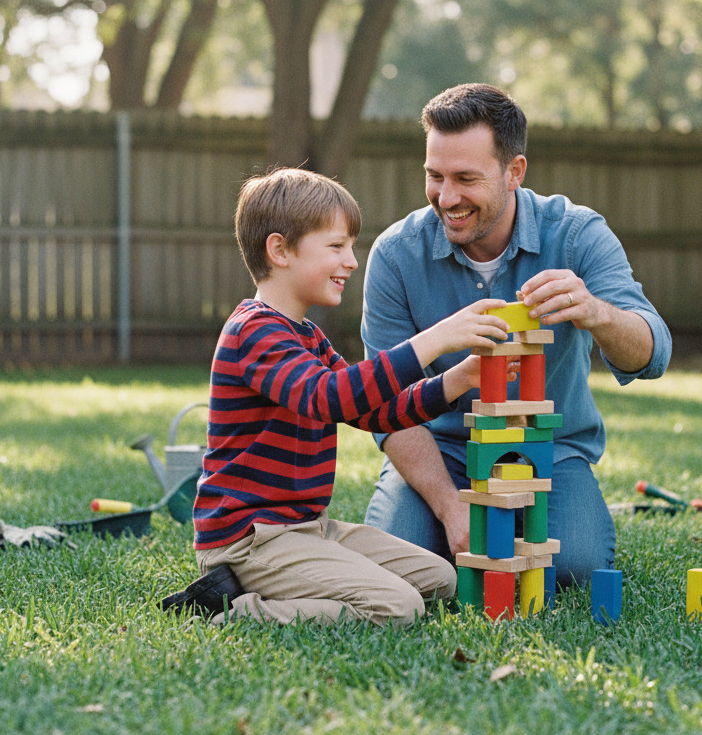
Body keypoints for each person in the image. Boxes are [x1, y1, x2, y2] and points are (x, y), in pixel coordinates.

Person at [167, 166, 513, 626]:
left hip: (309, 528)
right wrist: (434, 339)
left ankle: (296, 583)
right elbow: (327, 397)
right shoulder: (253, 331)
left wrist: (458, 378)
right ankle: (239, 610)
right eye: (336, 247)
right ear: (279, 250)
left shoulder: (308, 336)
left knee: (439, 578)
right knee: (399, 607)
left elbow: (373, 411)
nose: (351, 261)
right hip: (250, 540)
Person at [361, 83, 671, 587]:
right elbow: (387, 405)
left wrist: (598, 313)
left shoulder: (577, 234)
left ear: (514, 172)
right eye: (435, 176)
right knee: (401, 569)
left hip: (553, 451)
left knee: (574, 569)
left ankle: (533, 521)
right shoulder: (396, 254)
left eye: (466, 178)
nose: (447, 197)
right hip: (442, 450)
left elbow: (653, 352)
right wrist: (450, 508)